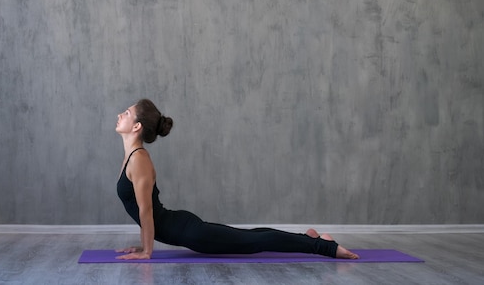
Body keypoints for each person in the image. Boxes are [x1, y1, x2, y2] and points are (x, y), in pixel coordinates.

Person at [115, 99, 359, 260]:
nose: (120, 114)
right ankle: (311, 239)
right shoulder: (133, 157)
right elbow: (144, 212)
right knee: (250, 237)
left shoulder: (139, 160)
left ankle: (325, 247)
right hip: (181, 227)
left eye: (126, 113)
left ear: (137, 126)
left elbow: (146, 211)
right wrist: (144, 246)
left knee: (252, 241)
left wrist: (147, 252)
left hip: (189, 232)